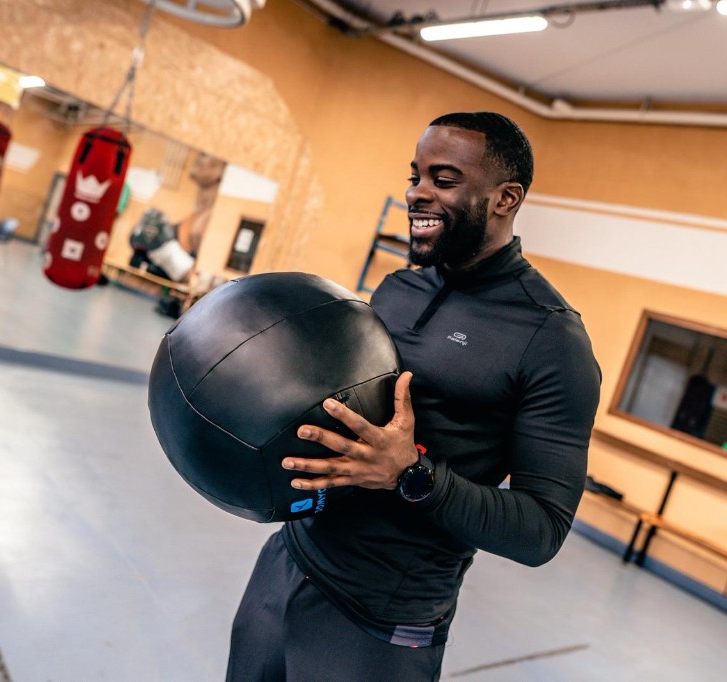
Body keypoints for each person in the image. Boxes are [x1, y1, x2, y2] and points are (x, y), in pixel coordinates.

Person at [226, 112, 601, 681]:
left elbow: (541, 529)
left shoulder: (551, 340)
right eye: (416, 175)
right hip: (288, 564)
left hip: (378, 624)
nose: (416, 194)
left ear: (506, 198)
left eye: (443, 181)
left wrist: (411, 475)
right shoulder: (399, 287)